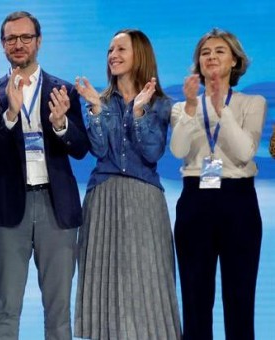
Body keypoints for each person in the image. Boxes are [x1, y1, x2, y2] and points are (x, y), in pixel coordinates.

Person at [0, 11, 89, 340]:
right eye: (11, 38)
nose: (19, 44)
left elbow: (80, 148)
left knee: (58, 311)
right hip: (7, 210)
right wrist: (12, 114)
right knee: (4, 309)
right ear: (3, 45)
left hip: (55, 209)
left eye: (25, 37)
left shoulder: (63, 91)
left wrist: (61, 124)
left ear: (39, 41)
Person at [73, 29, 181, 339]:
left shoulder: (161, 103)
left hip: (144, 200)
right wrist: (95, 109)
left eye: (121, 49)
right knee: (104, 284)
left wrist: (138, 112)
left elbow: (152, 151)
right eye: (110, 50)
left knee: (148, 284)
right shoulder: (100, 99)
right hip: (102, 198)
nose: (113, 55)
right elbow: (99, 150)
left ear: (140, 55)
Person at [170, 28, 266, 340]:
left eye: (220, 51)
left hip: (237, 202)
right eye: (205, 52)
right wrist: (189, 108)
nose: (211, 56)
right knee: (196, 300)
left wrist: (220, 109)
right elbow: (179, 151)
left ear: (236, 60)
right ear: (198, 62)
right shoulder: (183, 106)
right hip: (195, 201)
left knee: (240, 297)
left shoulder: (252, 102)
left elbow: (244, 152)